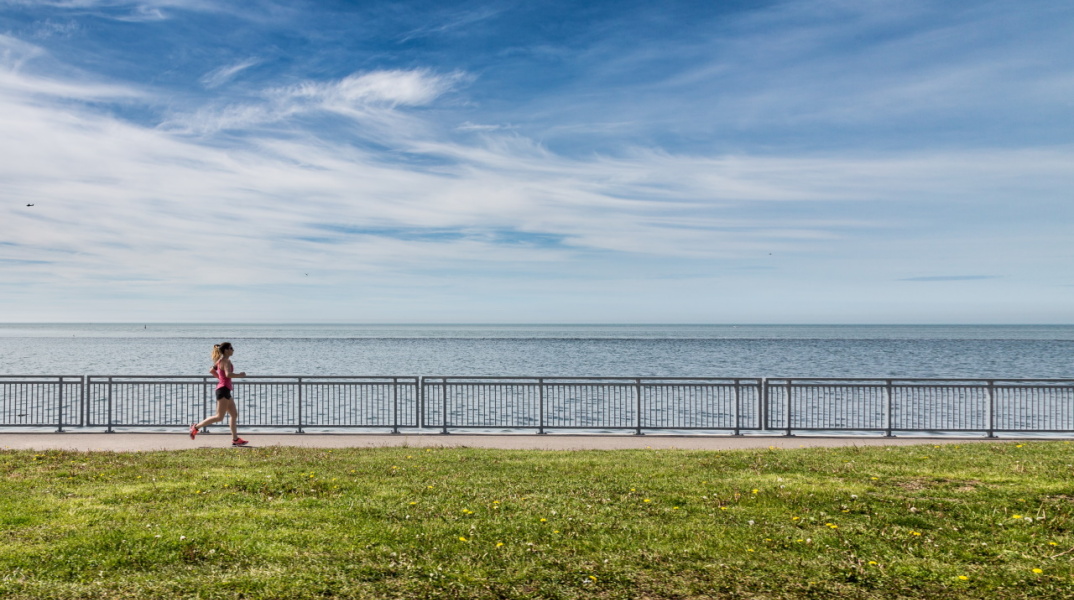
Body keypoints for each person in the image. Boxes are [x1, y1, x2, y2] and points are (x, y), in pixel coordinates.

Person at [190, 342, 249, 446]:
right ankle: (195, 427)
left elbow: (211, 370)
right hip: (223, 390)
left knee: (234, 414)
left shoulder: (219, 361)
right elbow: (228, 374)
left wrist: (221, 379)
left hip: (225, 389)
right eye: (231, 348)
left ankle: (235, 439)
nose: (233, 350)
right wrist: (240, 375)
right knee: (219, 417)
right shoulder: (226, 361)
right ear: (226, 350)